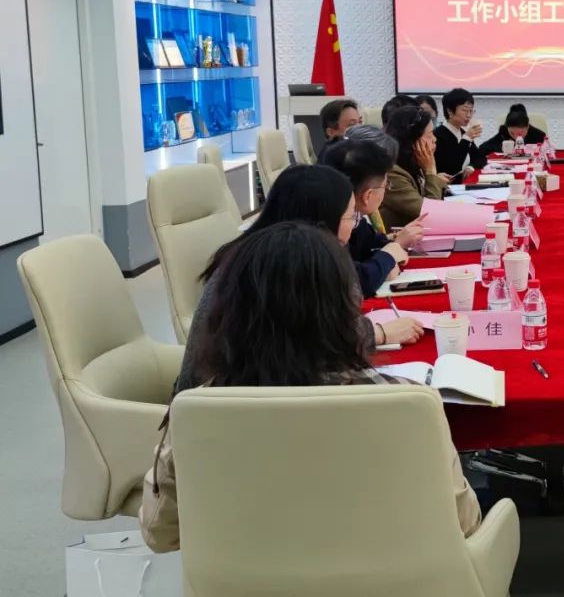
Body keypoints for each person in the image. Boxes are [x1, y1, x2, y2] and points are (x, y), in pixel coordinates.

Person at [141, 222, 482, 552]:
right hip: (387, 578)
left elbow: (160, 533)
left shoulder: (197, 410)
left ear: (227, 312)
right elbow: (464, 523)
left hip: (247, 580)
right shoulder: (406, 404)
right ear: (344, 312)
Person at [172, 164, 425, 395]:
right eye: (351, 217)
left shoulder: (251, 258)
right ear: (320, 221)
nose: (353, 226)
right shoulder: (282, 271)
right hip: (227, 403)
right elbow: (318, 343)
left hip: (216, 409)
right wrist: (377, 333)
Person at [323, 137, 428, 297]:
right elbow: (355, 281)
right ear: (368, 195)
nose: (386, 190)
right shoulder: (329, 225)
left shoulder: (352, 215)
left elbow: (370, 241)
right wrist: (390, 254)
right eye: (386, 186)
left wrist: (394, 241)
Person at [381, 106, 448, 229]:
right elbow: (430, 214)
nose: (435, 139)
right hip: (398, 238)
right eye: (430, 135)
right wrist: (430, 172)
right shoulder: (392, 173)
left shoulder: (412, 162)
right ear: (412, 139)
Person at [434, 87, 485, 175]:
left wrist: (471, 167)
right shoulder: (438, 135)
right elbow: (451, 168)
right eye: (465, 110)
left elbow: (480, 158)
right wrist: (466, 139)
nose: (469, 115)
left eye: (471, 111)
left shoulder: (462, 132)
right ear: (450, 111)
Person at [478, 103, 547, 156]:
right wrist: (502, 148)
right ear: (507, 127)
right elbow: (482, 149)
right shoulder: (504, 132)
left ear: (527, 126)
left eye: (520, 134)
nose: (516, 137)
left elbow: (547, 153)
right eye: (512, 133)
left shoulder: (539, 135)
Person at [316, 98, 361, 162]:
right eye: (352, 125)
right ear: (331, 132)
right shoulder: (336, 158)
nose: (360, 128)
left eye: (360, 122)